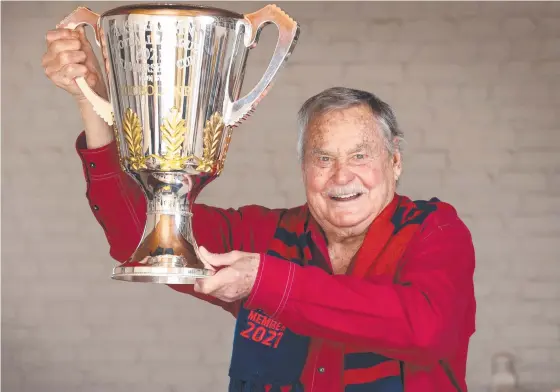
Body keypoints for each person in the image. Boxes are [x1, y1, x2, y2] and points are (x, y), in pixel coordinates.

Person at [42, 27, 476, 392]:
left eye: (361, 156)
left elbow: (427, 329)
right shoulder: (262, 236)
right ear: (304, 166)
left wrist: (265, 280)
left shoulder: (433, 230)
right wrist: (92, 102)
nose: (342, 176)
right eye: (323, 158)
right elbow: (141, 235)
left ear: (395, 161)